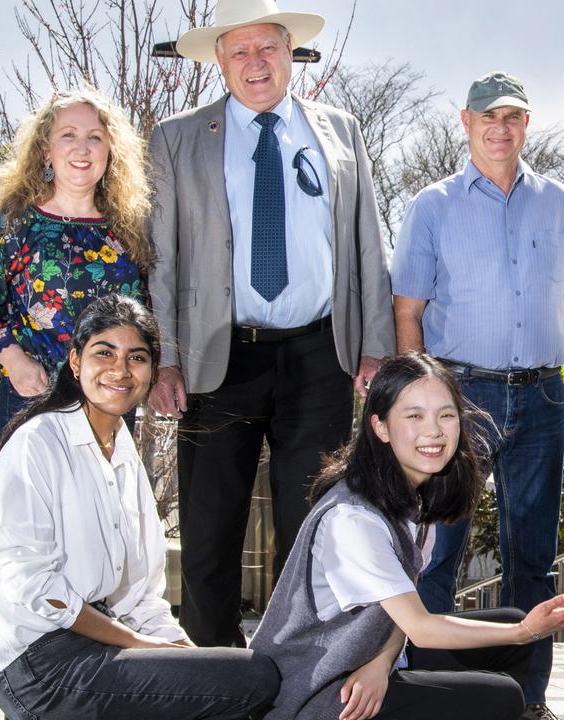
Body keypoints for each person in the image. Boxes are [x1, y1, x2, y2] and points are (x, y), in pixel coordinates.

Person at [148, 0, 396, 647]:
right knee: (209, 527)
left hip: (319, 356)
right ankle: (214, 672)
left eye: (268, 48)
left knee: (311, 522)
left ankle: (294, 673)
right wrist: (166, 357)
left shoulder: (339, 131)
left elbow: (368, 243)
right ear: (220, 62)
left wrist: (374, 347)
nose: (256, 63)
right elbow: (164, 258)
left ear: (291, 54)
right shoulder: (178, 139)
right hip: (215, 356)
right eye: (240, 51)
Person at [389, 70, 564, 720]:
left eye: (512, 117)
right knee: (437, 553)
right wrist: (415, 399)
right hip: (459, 397)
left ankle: (526, 700)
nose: (500, 128)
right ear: (466, 122)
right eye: (488, 117)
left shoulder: (559, 201)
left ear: (526, 124)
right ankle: (427, 694)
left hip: (540, 398)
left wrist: (536, 327)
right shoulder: (433, 205)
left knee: (530, 557)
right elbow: (407, 308)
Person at [0, 294, 280, 719]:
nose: (120, 370)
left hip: (99, 643)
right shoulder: (38, 442)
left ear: (153, 372)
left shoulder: (124, 454)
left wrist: (188, 658)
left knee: (233, 677)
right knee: (255, 677)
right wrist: (139, 645)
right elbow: (30, 584)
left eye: (136, 357)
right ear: (76, 362)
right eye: (105, 353)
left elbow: (141, 594)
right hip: (35, 662)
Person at [250, 353, 564, 720]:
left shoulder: (416, 498)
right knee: (502, 695)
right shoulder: (352, 518)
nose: (434, 430)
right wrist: (525, 631)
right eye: (414, 416)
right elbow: (420, 626)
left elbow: (401, 616)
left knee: (505, 630)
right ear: (380, 427)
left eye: (445, 415)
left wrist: (382, 664)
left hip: (367, 665)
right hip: (321, 693)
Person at [0, 87, 152, 433]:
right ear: (46, 151)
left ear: (110, 152)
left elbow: (144, 315)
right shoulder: (16, 223)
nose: (82, 147)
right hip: (34, 394)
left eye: (95, 137)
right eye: (68, 135)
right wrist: (14, 361)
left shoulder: (127, 230)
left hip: (110, 399)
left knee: (103, 489)